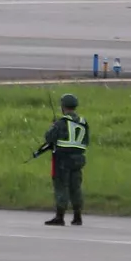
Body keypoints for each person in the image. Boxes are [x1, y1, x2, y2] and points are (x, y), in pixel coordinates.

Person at [34, 93, 90, 226]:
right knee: (75, 187)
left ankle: (60, 217)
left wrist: (53, 126)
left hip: (63, 159)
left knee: (61, 187)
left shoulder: (62, 123)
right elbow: (86, 141)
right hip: (78, 159)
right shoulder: (83, 122)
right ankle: (77, 217)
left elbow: (49, 137)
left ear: (63, 106)